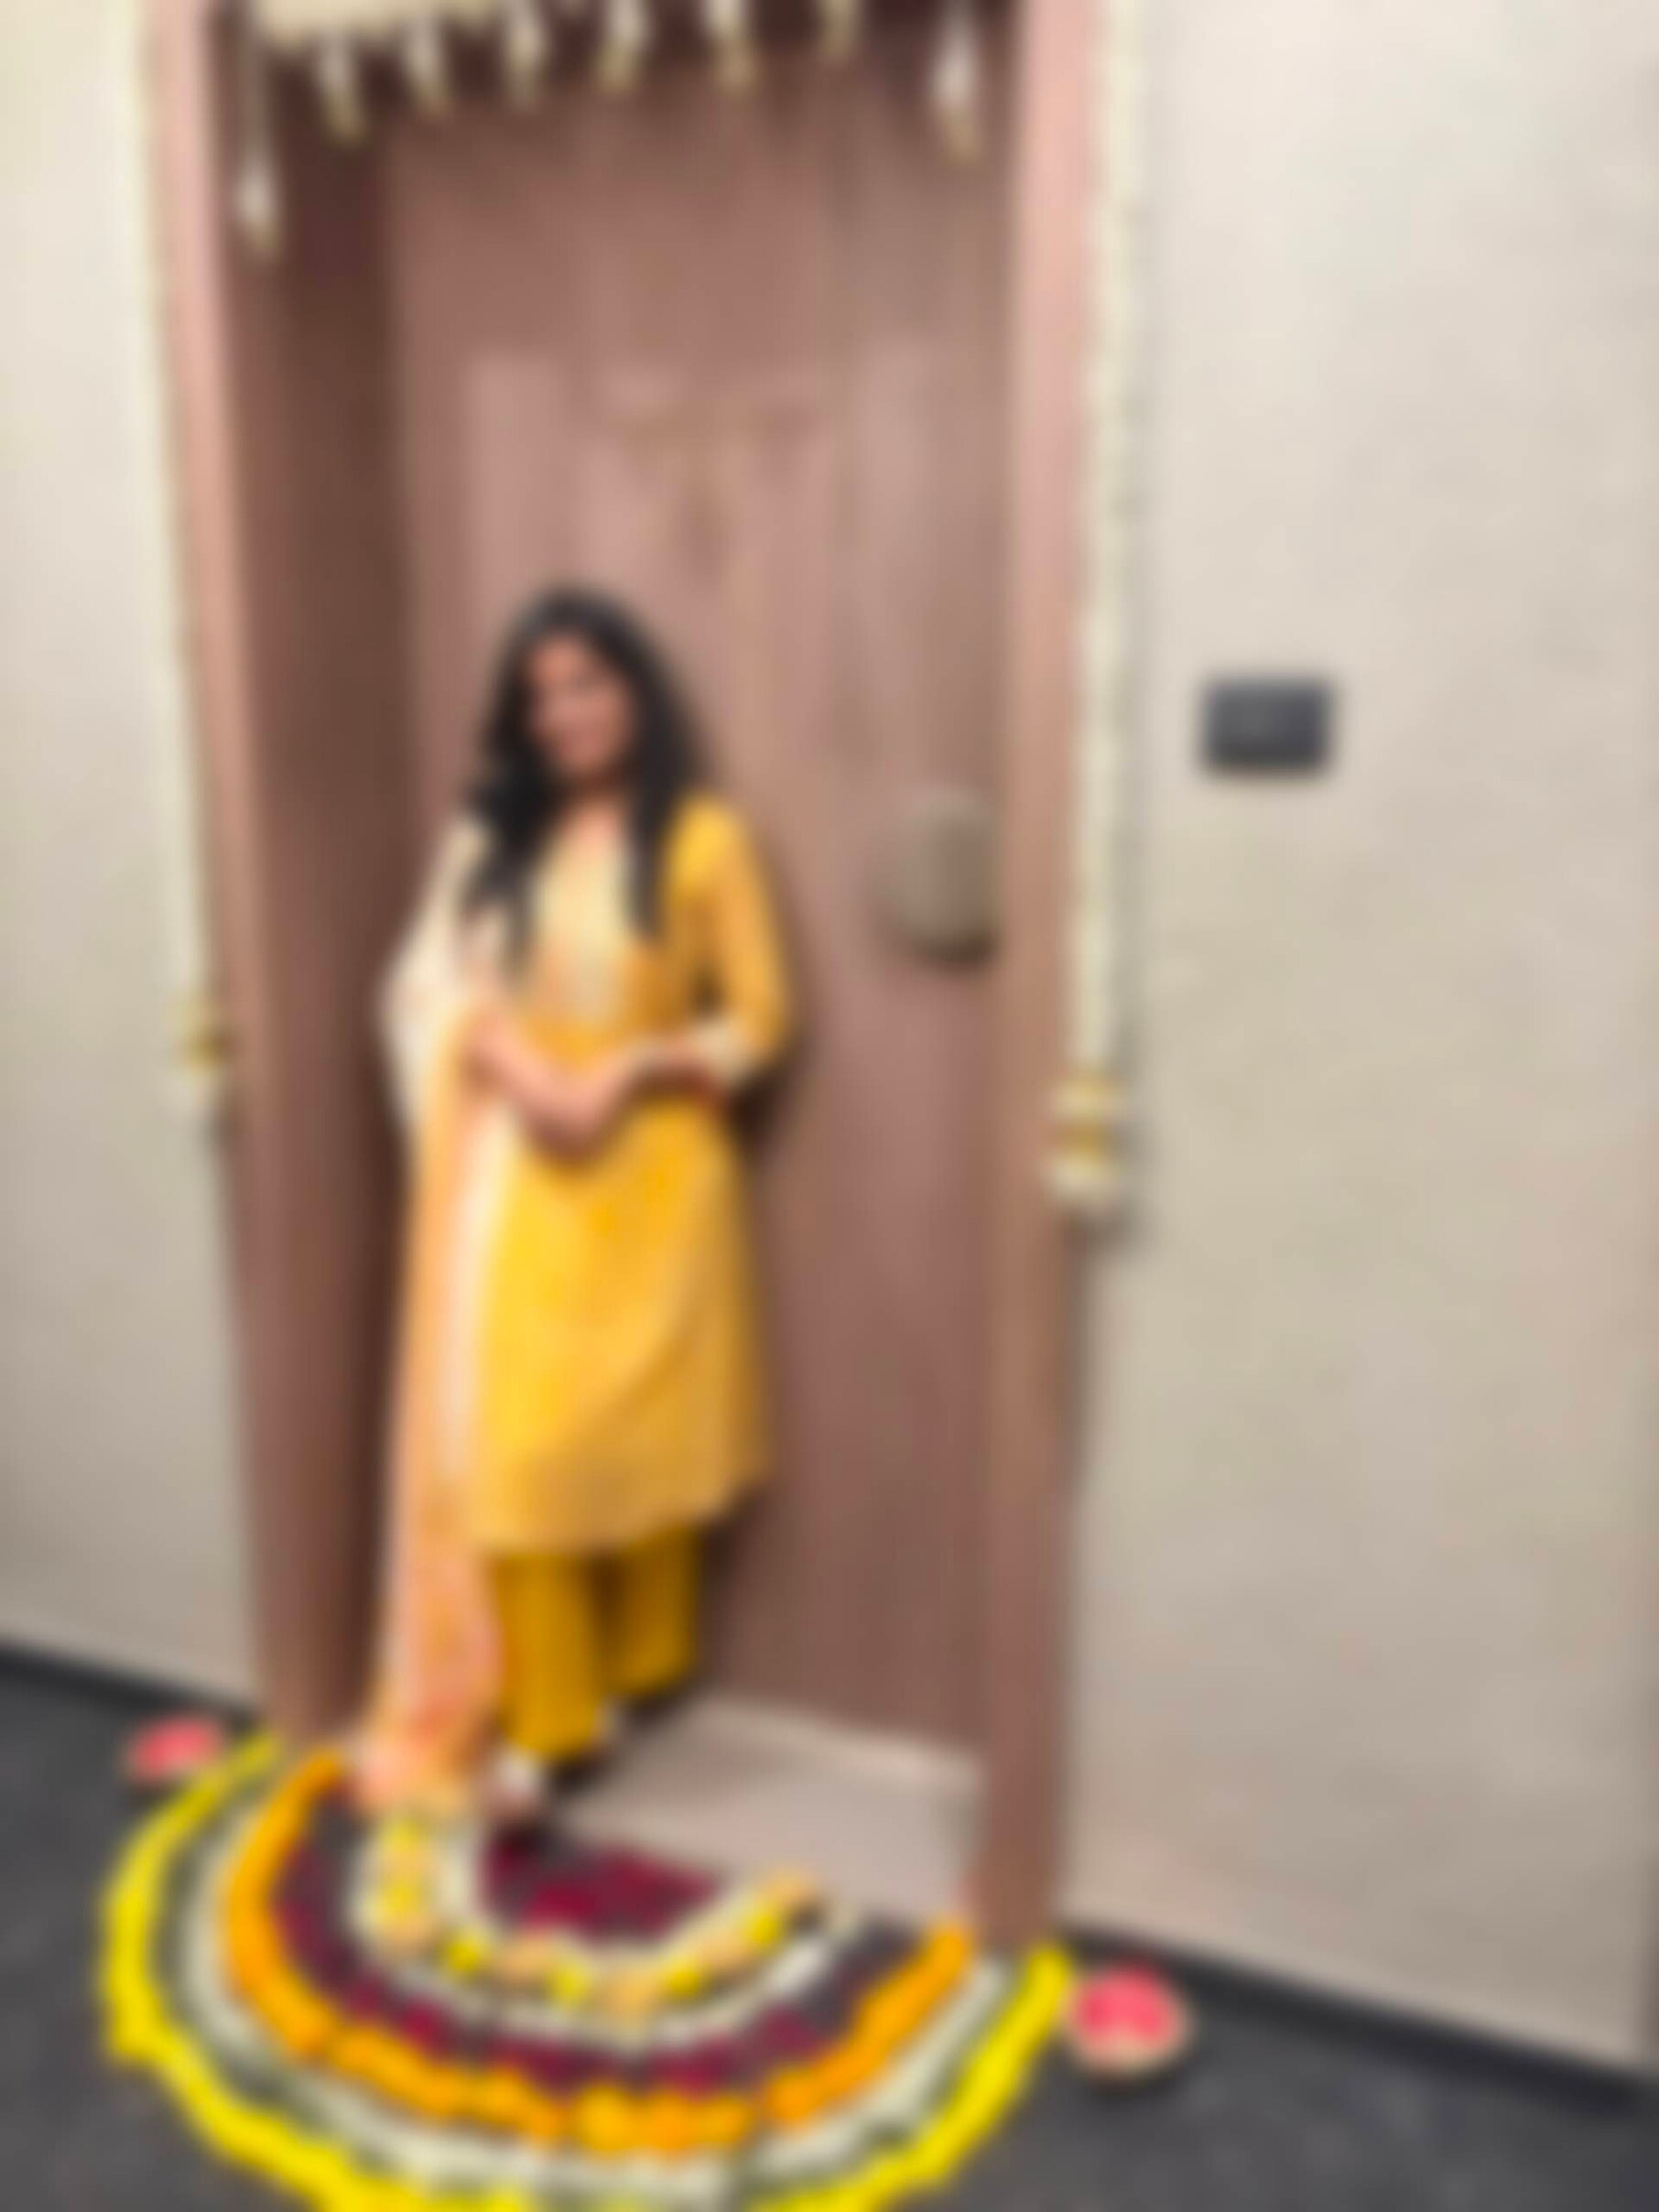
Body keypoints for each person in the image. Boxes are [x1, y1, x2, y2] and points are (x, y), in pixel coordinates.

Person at [357, 586, 792, 1822]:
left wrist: (631, 1069)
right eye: (539, 694)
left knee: (644, 1441)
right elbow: (431, 986)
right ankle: (547, 1731)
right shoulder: (495, 836)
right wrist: (516, 1068)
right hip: (523, 1177)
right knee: (522, 1456)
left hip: (660, 1180)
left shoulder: (703, 840)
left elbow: (765, 1017)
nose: (563, 714)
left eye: (586, 684)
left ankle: (636, 1673)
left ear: (636, 691)